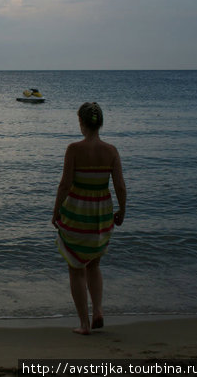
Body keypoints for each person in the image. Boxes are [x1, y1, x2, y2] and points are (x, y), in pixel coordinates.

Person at [52, 102, 126, 335]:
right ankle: (99, 311)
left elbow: (65, 184)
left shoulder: (74, 149)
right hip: (101, 215)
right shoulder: (111, 151)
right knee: (94, 264)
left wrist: (55, 211)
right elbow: (120, 186)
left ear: (81, 123)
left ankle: (84, 324)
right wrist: (122, 210)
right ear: (100, 123)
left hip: (77, 213)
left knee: (75, 266)